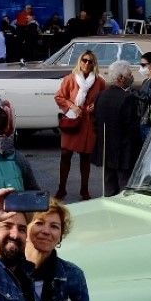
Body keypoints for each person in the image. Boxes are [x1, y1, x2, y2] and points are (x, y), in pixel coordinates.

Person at [53, 50, 102, 201]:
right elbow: (59, 97)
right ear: (80, 62)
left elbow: (103, 99)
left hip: (87, 124)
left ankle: (84, 190)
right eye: (84, 60)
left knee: (85, 158)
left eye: (90, 61)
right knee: (65, 155)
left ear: (94, 64)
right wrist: (72, 106)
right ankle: (61, 189)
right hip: (73, 121)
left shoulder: (99, 82)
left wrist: (95, 105)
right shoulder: (70, 79)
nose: (87, 63)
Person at [91, 64, 140, 198]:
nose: (132, 77)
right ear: (121, 78)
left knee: (109, 190)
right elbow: (132, 129)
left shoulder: (101, 96)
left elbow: (96, 122)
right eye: (129, 75)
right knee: (126, 192)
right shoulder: (127, 98)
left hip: (106, 150)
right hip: (124, 152)